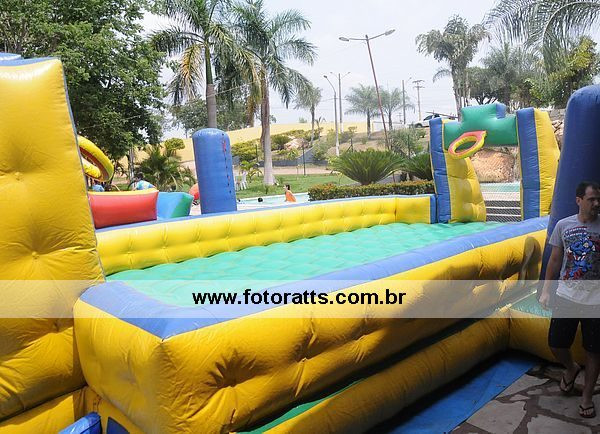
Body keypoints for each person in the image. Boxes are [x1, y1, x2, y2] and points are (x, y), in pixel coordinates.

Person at [540, 181, 600, 418]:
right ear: (578, 200)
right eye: (591, 199)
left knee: (594, 351)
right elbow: (555, 260)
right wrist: (546, 290)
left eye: (598, 199)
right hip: (566, 295)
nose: (596, 203)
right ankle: (571, 368)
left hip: (596, 301)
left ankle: (587, 396)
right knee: (556, 343)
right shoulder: (563, 225)